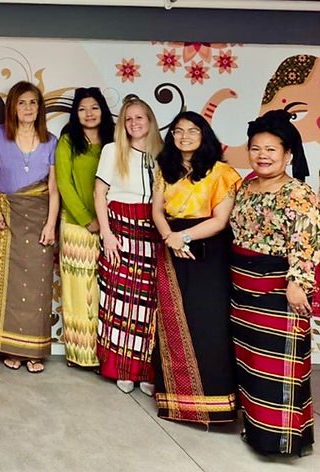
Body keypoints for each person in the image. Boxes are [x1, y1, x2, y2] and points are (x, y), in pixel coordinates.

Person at [230, 110, 318, 456]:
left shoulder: (299, 193)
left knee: (278, 365)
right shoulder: (244, 187)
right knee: (250, 363)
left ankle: (280, 440)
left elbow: (306, 242)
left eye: (271, 149)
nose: (262, 155)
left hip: (280, 290)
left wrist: (297, 284)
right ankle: (255, 430)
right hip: (242, 289)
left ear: (288, 155)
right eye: (256, 148)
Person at [151, 111, 241, 424]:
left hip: (208, 253)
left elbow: (220, 219)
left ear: (204, 135)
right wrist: (169, 237)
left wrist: (184, 236)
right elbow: (157, 209)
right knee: (173, 319)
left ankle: (215, 404)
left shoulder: (222, 172)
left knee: (208, 322)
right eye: (178, 131)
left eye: (192, 130)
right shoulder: (166, 168)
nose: (184, 136)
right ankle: (177, 402)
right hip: (172, 248)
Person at [0, 81, 59, 374]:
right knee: (9, 284)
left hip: (39, 219)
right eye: (21, 103)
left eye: (33, 102)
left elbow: (53, 188)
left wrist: (51, 224)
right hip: (7, 216)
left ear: (40, 108)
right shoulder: (0, 135)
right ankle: (10, 349)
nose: (27, 108)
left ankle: (34, 352)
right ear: (13, 107)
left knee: (36, 287)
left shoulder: (50, 140)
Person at [94, 95, 162, 395]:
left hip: (153, 230)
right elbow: (99, 194)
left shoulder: (164, 153)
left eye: (140, 117)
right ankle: (122, 368)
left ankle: (147, 369)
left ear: (150, 121)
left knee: (150, 304)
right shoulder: (112, 151)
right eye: (128, 118)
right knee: (121, 302)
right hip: (120, 228)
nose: (134, 123)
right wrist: (107, 235)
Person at [55, 87, 114, 369]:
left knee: (108, 292)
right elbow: (63, 184)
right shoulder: (68, 141)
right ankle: (81, 355)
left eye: (94, 107)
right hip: (78, 227)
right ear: (75, 114)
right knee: (79, 291)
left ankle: (109, 356)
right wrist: (85, 219)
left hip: (112, 228)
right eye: (82, 109)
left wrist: (106, 223)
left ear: (103, 109)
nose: (89, 114)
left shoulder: (115, 142)